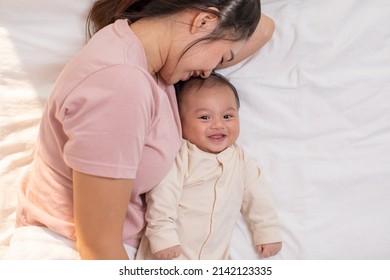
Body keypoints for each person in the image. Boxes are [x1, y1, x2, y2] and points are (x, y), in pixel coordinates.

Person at [4, 0, 275, 260]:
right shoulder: (121, 85)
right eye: (223, 56)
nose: (209, 72)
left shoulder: (137, 47)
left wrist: (226, 21)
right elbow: (98, 247)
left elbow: (264, 27)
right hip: (69, 251)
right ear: (202, 20)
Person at [136, 73, 282, 260]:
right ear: (180, 121)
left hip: (215, 255)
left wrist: (266, 230)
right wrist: (162, 235)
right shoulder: (181, 155)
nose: (218, 125)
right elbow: (163, 196)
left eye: (227, 116)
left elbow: (258, 194)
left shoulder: (240, 157)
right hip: (171, 252)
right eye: (205, 117)